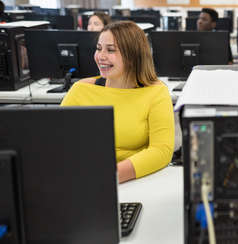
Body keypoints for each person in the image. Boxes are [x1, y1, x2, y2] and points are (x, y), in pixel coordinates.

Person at [61, 21, 175, 183]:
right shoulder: (80, 90)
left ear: (132, 56)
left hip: (134, 179)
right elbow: (58, 142)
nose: (101, 56)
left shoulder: (156, 92)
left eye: (111, 50)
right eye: (99, 48)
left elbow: (161, 150)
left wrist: (108, 176)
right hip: (83, 177)